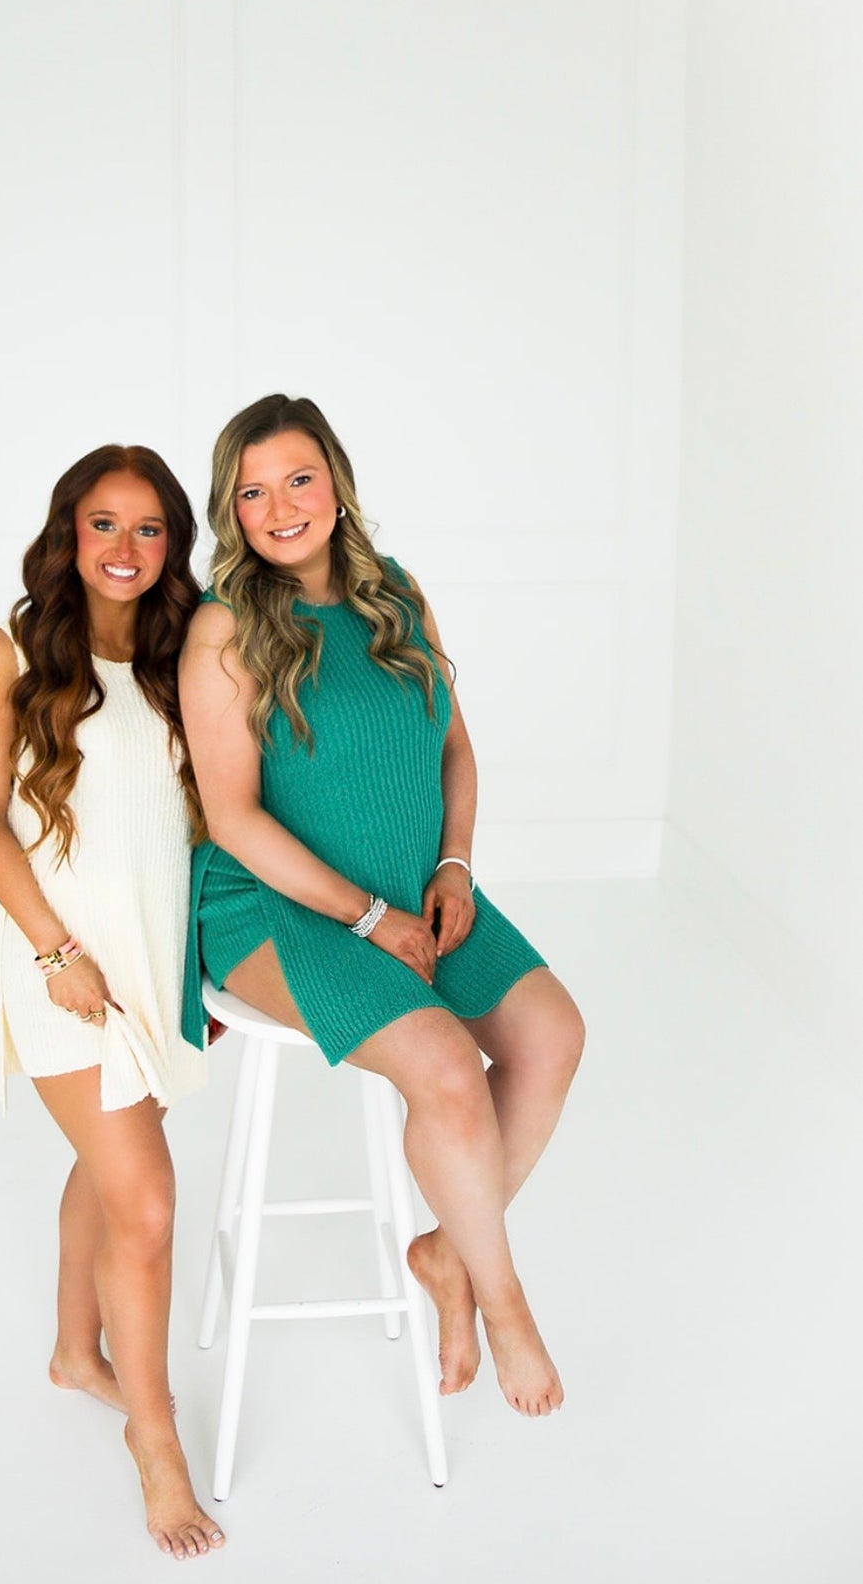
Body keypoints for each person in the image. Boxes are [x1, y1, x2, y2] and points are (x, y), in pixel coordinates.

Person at [177, 396, 585, 1418]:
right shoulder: (223, 630)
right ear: (231, 509)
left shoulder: (395, 592)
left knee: (550, 1034)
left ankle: (445, 1252)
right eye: (253, 492)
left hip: (412, 885)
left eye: (298, 480)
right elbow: (232, 818)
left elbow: (454, 745)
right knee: (444, 1068)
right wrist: (365, 918)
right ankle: (503, 1304)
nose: (280, 508)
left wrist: (453, 866)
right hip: (271, 908)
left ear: (336, 483)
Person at [0, 445, 224, 1558]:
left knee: (110, 1164)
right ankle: (155, 1440)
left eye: (148, 528)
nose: (124, 547)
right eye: (102, 523)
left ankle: (76, 1352)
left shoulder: (182, 653)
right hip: (60, 965)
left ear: (173, 545)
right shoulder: (6, 654)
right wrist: (56, 953)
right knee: (145, 1204)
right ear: (67, 532)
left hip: (156, 957)